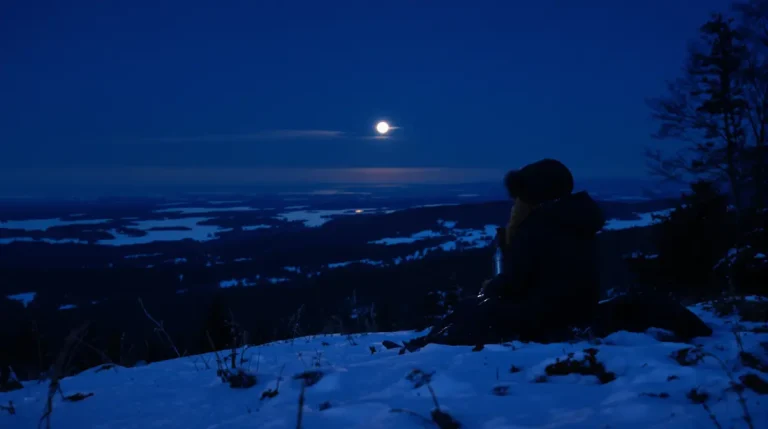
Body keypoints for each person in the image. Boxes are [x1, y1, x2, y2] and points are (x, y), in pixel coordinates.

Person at [406, 159, 605, 350]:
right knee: (473, 308)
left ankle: (431, 345)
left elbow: (516, 282)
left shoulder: (538, 226)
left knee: (471, 310)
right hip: (579, 310)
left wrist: (491, 287)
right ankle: (430, 342)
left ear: (533, 195)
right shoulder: (577, 220)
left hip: (547, 314)